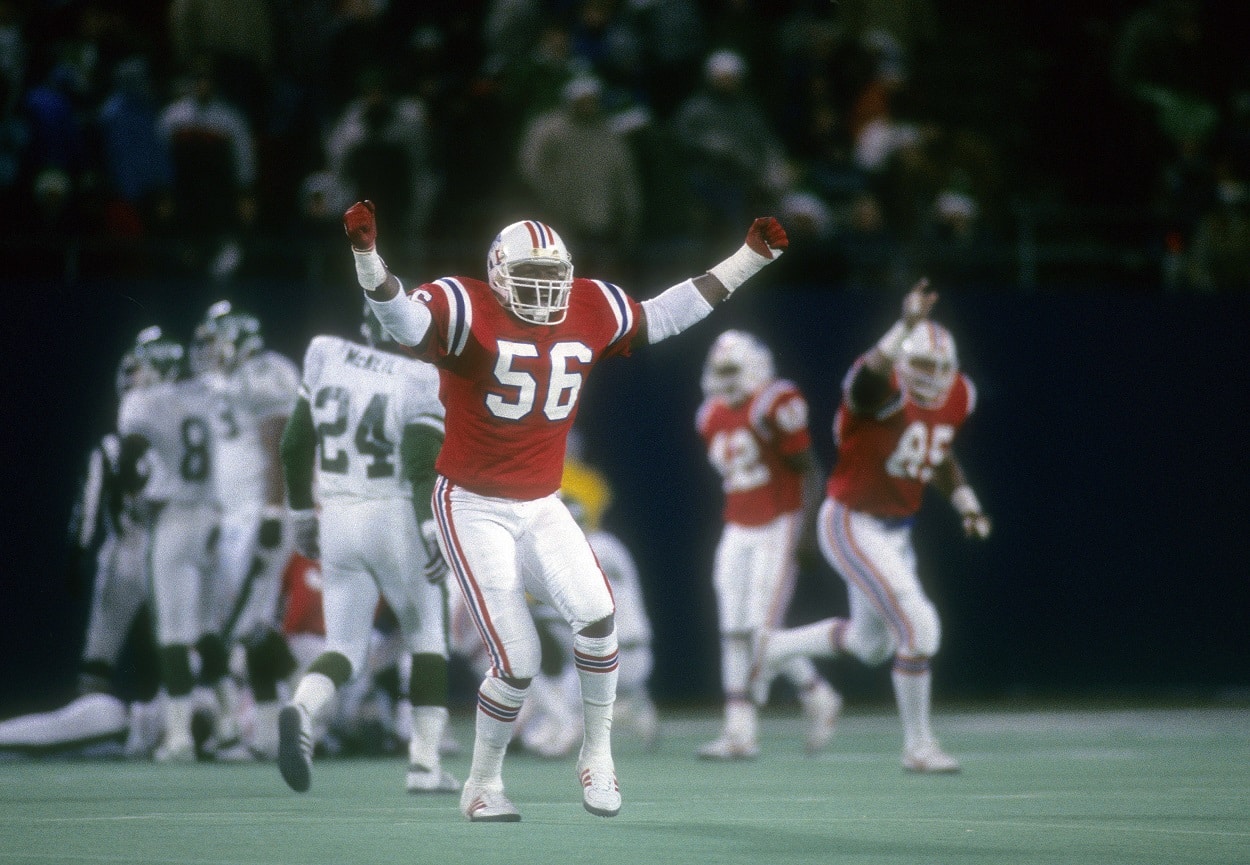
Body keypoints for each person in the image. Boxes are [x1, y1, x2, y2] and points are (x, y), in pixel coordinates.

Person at [339, 198, 787, 821]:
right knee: (517, 659)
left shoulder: (590, 305)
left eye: (554, 279)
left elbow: (663, 314)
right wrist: (368, 257)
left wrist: (748, 260)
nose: (546, 292)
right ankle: (483, 785)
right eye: (530, 279)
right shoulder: (464, 305)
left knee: (599, 616)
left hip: (541, 499)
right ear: (497, 274)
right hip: (472, 502)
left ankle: (598, 755)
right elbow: (402, 321)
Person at [750, 279, 991, 773]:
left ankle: (775, 648)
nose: (930, 376)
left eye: (938, 367)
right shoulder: (880, 392)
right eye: (919, 364)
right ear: (902, 361)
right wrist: (904, 325)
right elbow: (867, 378)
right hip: (851, 521)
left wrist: (965, 500)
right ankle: (919, 747)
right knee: (921, 628)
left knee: (871, 645)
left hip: (895, 530)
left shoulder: (959, 395)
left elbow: (936, 451)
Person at [276, 302, 457, 796]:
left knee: (344, 648)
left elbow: (294, 444)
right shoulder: (422, 377)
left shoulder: (326, 354)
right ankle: (424, 764)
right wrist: (430, 529)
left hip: (335, 513)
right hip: (394, 514)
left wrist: (299, 514)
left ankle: (302, 708)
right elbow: (422, 468)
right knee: (427, 637)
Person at [0, 355, 159, 758]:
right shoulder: (168, 446)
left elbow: (87, 509)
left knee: (102, 659)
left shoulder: (111, 447)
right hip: (163, 556)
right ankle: (175, 731)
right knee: (174, 651)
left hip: (125, 555)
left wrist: (78, 552)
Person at [695, 329, 841, 760]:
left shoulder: (773, 404)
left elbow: (811, 469)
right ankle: (746, 729)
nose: (726, 379)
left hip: (779, 522)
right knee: (733, 629)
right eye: (720, 371)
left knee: (759, 630)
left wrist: (810, 530)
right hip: (737, 526)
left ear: (756, 367)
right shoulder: (709, 416)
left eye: (734, 370)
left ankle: (809, 697)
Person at [191, 301, 300, 761]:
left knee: (232, 628)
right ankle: (271, 729)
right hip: (237, 517)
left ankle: (242, 730)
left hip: (259, 515)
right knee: (248, 629)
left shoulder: (266, 371)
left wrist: (272, 514)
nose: (210, 352)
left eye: (216, 342)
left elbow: (276, 442)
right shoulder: (228, 382)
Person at [115, 326, 219, 762]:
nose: (135, 375)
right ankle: (232, 726)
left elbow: (129, 460)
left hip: (175, 519)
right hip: (214, 518)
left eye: (141, 366)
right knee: (212, 629)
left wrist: (135, 495)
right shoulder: (208, 396)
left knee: (174, 634)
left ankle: (180, 737)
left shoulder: (144, 402)